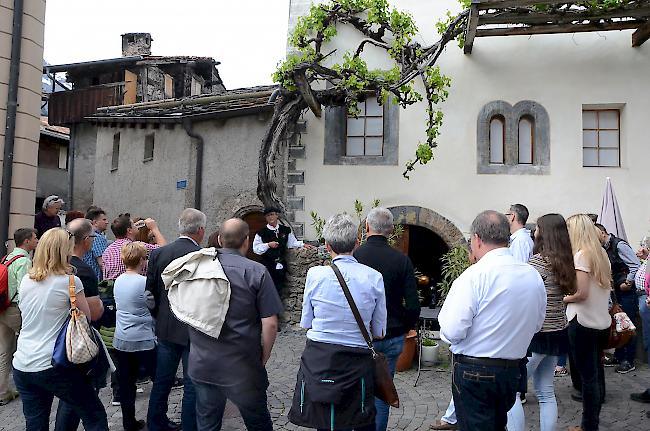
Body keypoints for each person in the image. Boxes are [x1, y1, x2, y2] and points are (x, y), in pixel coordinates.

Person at [438, 210, 546, 431]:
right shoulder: (531, 274)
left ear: (476, 239)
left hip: (475, 370)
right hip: (511, 369)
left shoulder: (474, 276)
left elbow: (452, 330)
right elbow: (537, 323)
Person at [289, 213, 387, 431]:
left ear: (326, 244)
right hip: (357, 358)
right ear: (357, 242)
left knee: (326, 420)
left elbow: (306, 321)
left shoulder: (315, 275)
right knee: (360, 418)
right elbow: (379, 331)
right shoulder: (374, 277)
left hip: (321, 356)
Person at [188, 218, 283, 431]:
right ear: (246, 241)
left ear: (220, 240)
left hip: (204, 362)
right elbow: (270, 324)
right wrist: (263, 356)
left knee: (207, 424)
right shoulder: (256, 271)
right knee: (258, 423)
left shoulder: (197, 270)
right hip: (242, 365)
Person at [12, 228, 108, 431]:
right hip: (54, 363)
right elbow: (86, 318)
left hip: (23, 362)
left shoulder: (27, 280)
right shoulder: (70, 282)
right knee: (93, 415)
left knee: (36, 423)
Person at [353, 207, 419, 431]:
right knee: (383, 392)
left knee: (356, 390)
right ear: (391, 230)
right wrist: (406, 327)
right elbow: (413, 304)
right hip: (390, 334)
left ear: (367, 227)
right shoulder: (401, 261)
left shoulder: (354, 258)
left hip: (359, 335)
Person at [509, 214, 576, 431]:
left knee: (512, 391)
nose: (534, 232)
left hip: (537, 335)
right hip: (558, 331)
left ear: (544, 232)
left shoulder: (537, 262)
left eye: (537, 228)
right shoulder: (567, 261)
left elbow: (522, 295)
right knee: (546, 392)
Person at [146, 208, 205, 431]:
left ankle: (155, 423)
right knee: (191, 384)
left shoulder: (158, 254)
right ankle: (190, 426)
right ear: (200, 230)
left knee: (162, 381)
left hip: (166, 326)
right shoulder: (202, 257)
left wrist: (160, 317)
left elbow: (150, 294)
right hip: (193, 327)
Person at [54, 218, 106, 430]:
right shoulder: (82, 271)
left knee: (70, 398)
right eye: (92, 237)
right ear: (86, 240)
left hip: (56, 343)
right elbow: (92, 313)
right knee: (84, 403)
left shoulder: (57, 266)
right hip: (77, 344)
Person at [565, 214, 612, 431]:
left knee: (587, 379)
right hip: (600, 322)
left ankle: (588, 426)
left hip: (582, 321)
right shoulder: (601, 253)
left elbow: (581, 293)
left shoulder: (582, 256)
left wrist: (563, 297)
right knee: (593, 375)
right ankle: (590, 424)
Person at [114, 242, 157, 431]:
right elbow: (153, 305)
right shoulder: (143, 282)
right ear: (142, 260)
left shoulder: (118, 280)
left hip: (122, 337)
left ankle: (128, 422)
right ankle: (157, 419)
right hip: (143, 336)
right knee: (160, 379)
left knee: (126, 383)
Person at [595, 223, 640, 373]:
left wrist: (628, 282)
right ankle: (620, 356)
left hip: (626, 291)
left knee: (627, 323)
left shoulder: (619, 245)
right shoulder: (603, 248)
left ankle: (629, 359)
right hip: (615, 291)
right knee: (618, 322)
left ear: (602, 233)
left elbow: (635, 264)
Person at [0, 227, 37, 406]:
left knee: (4, 351)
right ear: (27, 241)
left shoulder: (7, 257)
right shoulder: (24, 261)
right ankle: (31, 386)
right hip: (15, 310)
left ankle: (3, 391)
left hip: (2, 308)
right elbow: (25, 291)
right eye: (35, 237)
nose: (37, 240)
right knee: (29, 345)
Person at [253, 207, 312, 291]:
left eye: (272, 214)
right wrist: (268, 245)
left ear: (277, 215)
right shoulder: (261, 233)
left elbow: (292, 243)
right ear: (265, 218)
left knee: (281, 289)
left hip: (282, 265)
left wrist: (302, 244)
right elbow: (256, 249)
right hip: (267, 266)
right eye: (268, 215)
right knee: (269, 289)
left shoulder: (285, 230)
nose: (270, 217)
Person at [102, 214, 167, 280]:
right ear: (129, 230)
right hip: (136, 287)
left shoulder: (107, 251)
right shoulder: (137, 247)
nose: (136, 225)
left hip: (114, 288)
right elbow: (164, 249)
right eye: (133, 224)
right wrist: (154, 228)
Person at [83, 207, 109, 281]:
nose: (107, 222)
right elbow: (102, 262)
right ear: (95, 222)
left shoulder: (89, 235)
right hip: (95, 279)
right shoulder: (96, 237)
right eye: (104, 220)